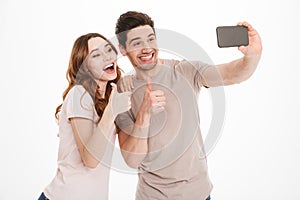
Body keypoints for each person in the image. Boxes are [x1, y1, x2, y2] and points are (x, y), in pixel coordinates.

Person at [114, 11, 262, 200]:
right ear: (123, 49)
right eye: (136, 43)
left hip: (199, 194)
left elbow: (232, 74)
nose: (146, 48)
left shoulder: (184, 71)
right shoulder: (122, 91)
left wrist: (252, 57)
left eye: (151, 39)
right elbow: (132, 160)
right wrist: (143, 115)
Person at [38, 33, 132, 200]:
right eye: (96, 55)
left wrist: (145, 111)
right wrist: (112, 110)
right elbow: (90, 160)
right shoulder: (79, 94)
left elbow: (131, 154)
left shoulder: (111, 98)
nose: (107, 57)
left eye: (108, 50)